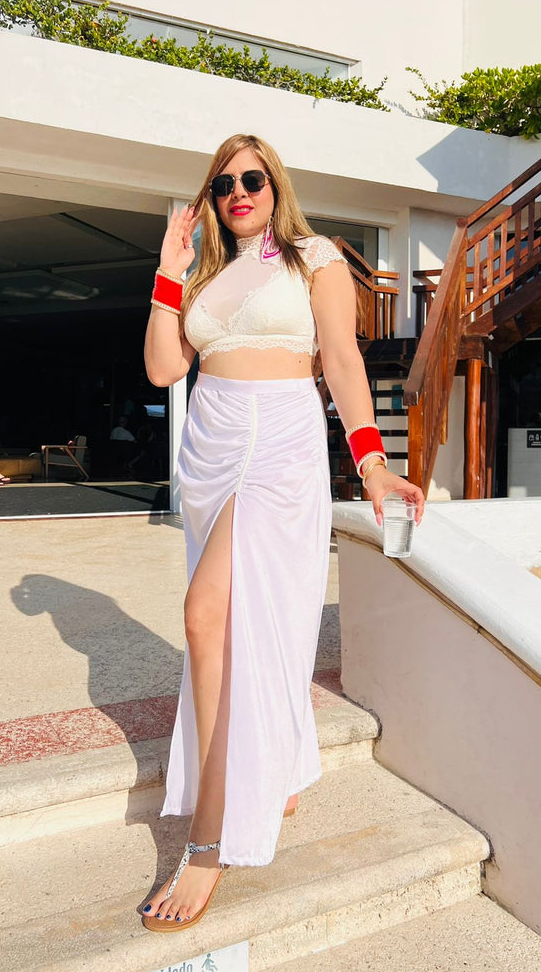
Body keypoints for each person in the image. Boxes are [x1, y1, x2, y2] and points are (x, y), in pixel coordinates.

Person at [141, 133, 425, 932]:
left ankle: (210, 840)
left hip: (278, 442)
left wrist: (372, 464)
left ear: (275, 187)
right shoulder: (205, 274)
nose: (238, 191)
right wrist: (169, 266)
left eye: (253, 179)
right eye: (223, 182)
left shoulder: (315, 257)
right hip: (211, 448)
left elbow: (341, 361)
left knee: (206, 617)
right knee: (245, 624)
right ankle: (279, 765)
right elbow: (164, 369)